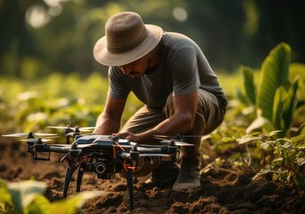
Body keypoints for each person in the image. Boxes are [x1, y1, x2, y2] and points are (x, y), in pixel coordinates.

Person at [92, 11, 227, 192]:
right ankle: (166, 170)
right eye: (120, 62)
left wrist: (142, 139)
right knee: (124, 157)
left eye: (130, 60)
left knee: (173, 102)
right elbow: (110, 114)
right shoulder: (119, 69)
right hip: (159, 109)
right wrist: (97, 144)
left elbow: (185, 116)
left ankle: (190, 166)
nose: (125, 69)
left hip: (206, 106)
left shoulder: (179, 51)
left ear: (147, 49)